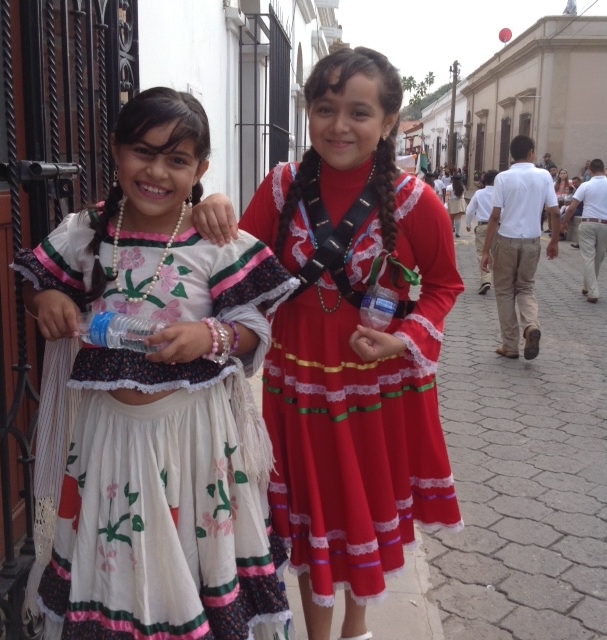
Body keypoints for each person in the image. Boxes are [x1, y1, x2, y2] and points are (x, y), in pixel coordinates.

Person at [193, 46, 464, 640]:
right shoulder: (283, 184)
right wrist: (206, 204)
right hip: (297, 388)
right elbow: (234, 255)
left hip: (377, 391)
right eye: (325, 108)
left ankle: (357, 627)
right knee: (312, 513)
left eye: (360, 112)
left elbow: (445, 285)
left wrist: (406, 339)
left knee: (358, 507)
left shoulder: (418, 202)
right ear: (309, 113)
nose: (340, 126)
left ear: (389, 123)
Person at [11, 87, 297, 640]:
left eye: (177, 160)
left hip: (192, 442)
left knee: (188, 555)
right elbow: (40, 284)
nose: (157, 172)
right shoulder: (85, 231)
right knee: (116, 550)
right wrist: (45, 301)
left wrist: (208, 334)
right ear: (116, 154)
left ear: (200, 169)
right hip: (107, 441)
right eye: (143, 152)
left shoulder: (217, 241)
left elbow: (255, 331)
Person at [481, 135, 560, 360]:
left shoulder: (504, 178)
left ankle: (510, 345)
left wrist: (486, 250)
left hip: (506, 240)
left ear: (512, 155)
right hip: (532, 241)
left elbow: (495, 216)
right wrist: (554, 241)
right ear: (531, 152)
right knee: (526, 287)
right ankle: (531, 326)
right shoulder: (544, 175)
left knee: (505, 291)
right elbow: (554, 211)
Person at [561, 158, 607, 303]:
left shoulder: (586, 185)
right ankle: (590, 288)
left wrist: (564, 222)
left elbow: (572, 207)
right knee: (599, 257)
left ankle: (591, 289)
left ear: (589, 170)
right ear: (604, 169)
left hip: (587, 223)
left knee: (589, 257)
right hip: (605, 224)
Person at [465, 169, 499, 294]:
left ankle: (486, 279)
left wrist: (468, 224)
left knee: (481, 252)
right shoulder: (502, 194)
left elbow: (469, 211)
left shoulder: (479, 194)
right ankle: (498, 280)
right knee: (496, 253)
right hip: (498, 227)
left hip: (483, 226)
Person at [553, 168, 573, 239]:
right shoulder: (556, 183)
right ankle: (555, 233)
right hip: (557, 202)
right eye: (561, 173)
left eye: (564, 173)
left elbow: (573, 192)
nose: (563, 174)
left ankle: (562, 233)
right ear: (559, 175)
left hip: (566, 202)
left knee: (563, 217)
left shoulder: (570, 182)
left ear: (567, 174)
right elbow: (552, 192)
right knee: (556, 218)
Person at [446, 173, 466, 237]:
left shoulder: (449, 187)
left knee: (451, 218)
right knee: (458, 217)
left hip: (452, 202)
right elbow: (464, 194)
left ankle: (450, 232)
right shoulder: (462, 187)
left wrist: (446, 203)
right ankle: (457, 232)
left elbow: (447, 195)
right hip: (460, 201)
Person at [568, 176, 584, 247]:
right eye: (573, 183)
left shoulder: (583, 188)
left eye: (576, 182)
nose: (574, 184)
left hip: (581, 210)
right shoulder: (576, 189)